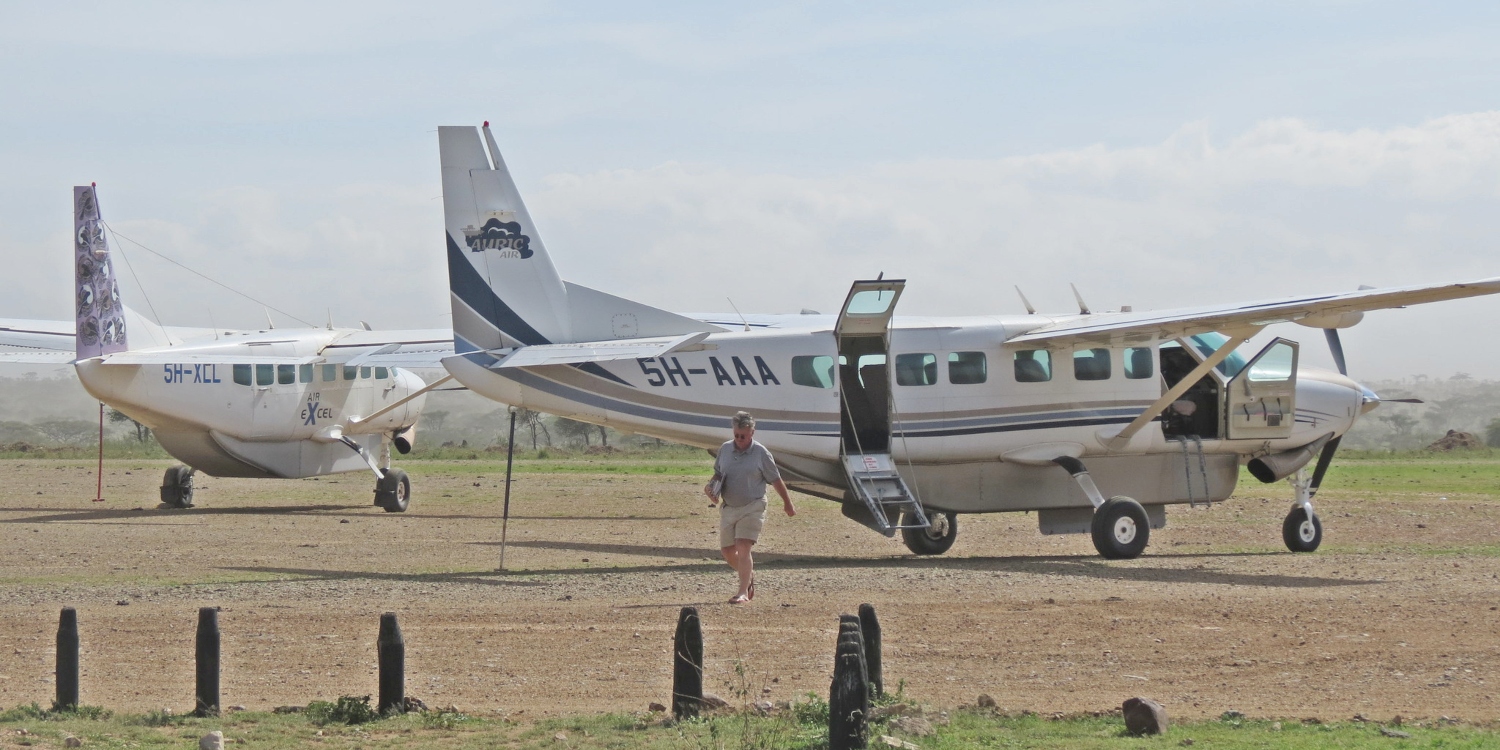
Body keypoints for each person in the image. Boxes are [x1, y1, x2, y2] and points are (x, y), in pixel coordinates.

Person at [704, 411, 795, 604]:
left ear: (752, 432)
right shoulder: (725, 449)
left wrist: (788, 503)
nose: (739, 439)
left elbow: (776, 480)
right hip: (729, 507)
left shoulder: (761, 453)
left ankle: (742, 592)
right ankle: (748, 575)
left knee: (743, 547)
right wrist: (710, 488)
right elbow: (718, 474)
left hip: (753, 505)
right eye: (736, 435)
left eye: (743, 436)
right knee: (728, 552)